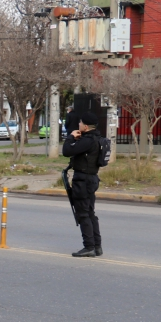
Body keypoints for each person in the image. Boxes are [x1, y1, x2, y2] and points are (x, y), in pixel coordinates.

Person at [63, 110, 104, 258]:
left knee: (83, 214)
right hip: (91, 179)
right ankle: (97, 246)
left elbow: (67, 151)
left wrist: (70, 138)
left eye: (80, 123)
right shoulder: (97, 138)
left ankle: (89, 247)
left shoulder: (87, 141)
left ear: (85, 127)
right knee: (90, 213)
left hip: (83, 180)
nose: (78, 124)